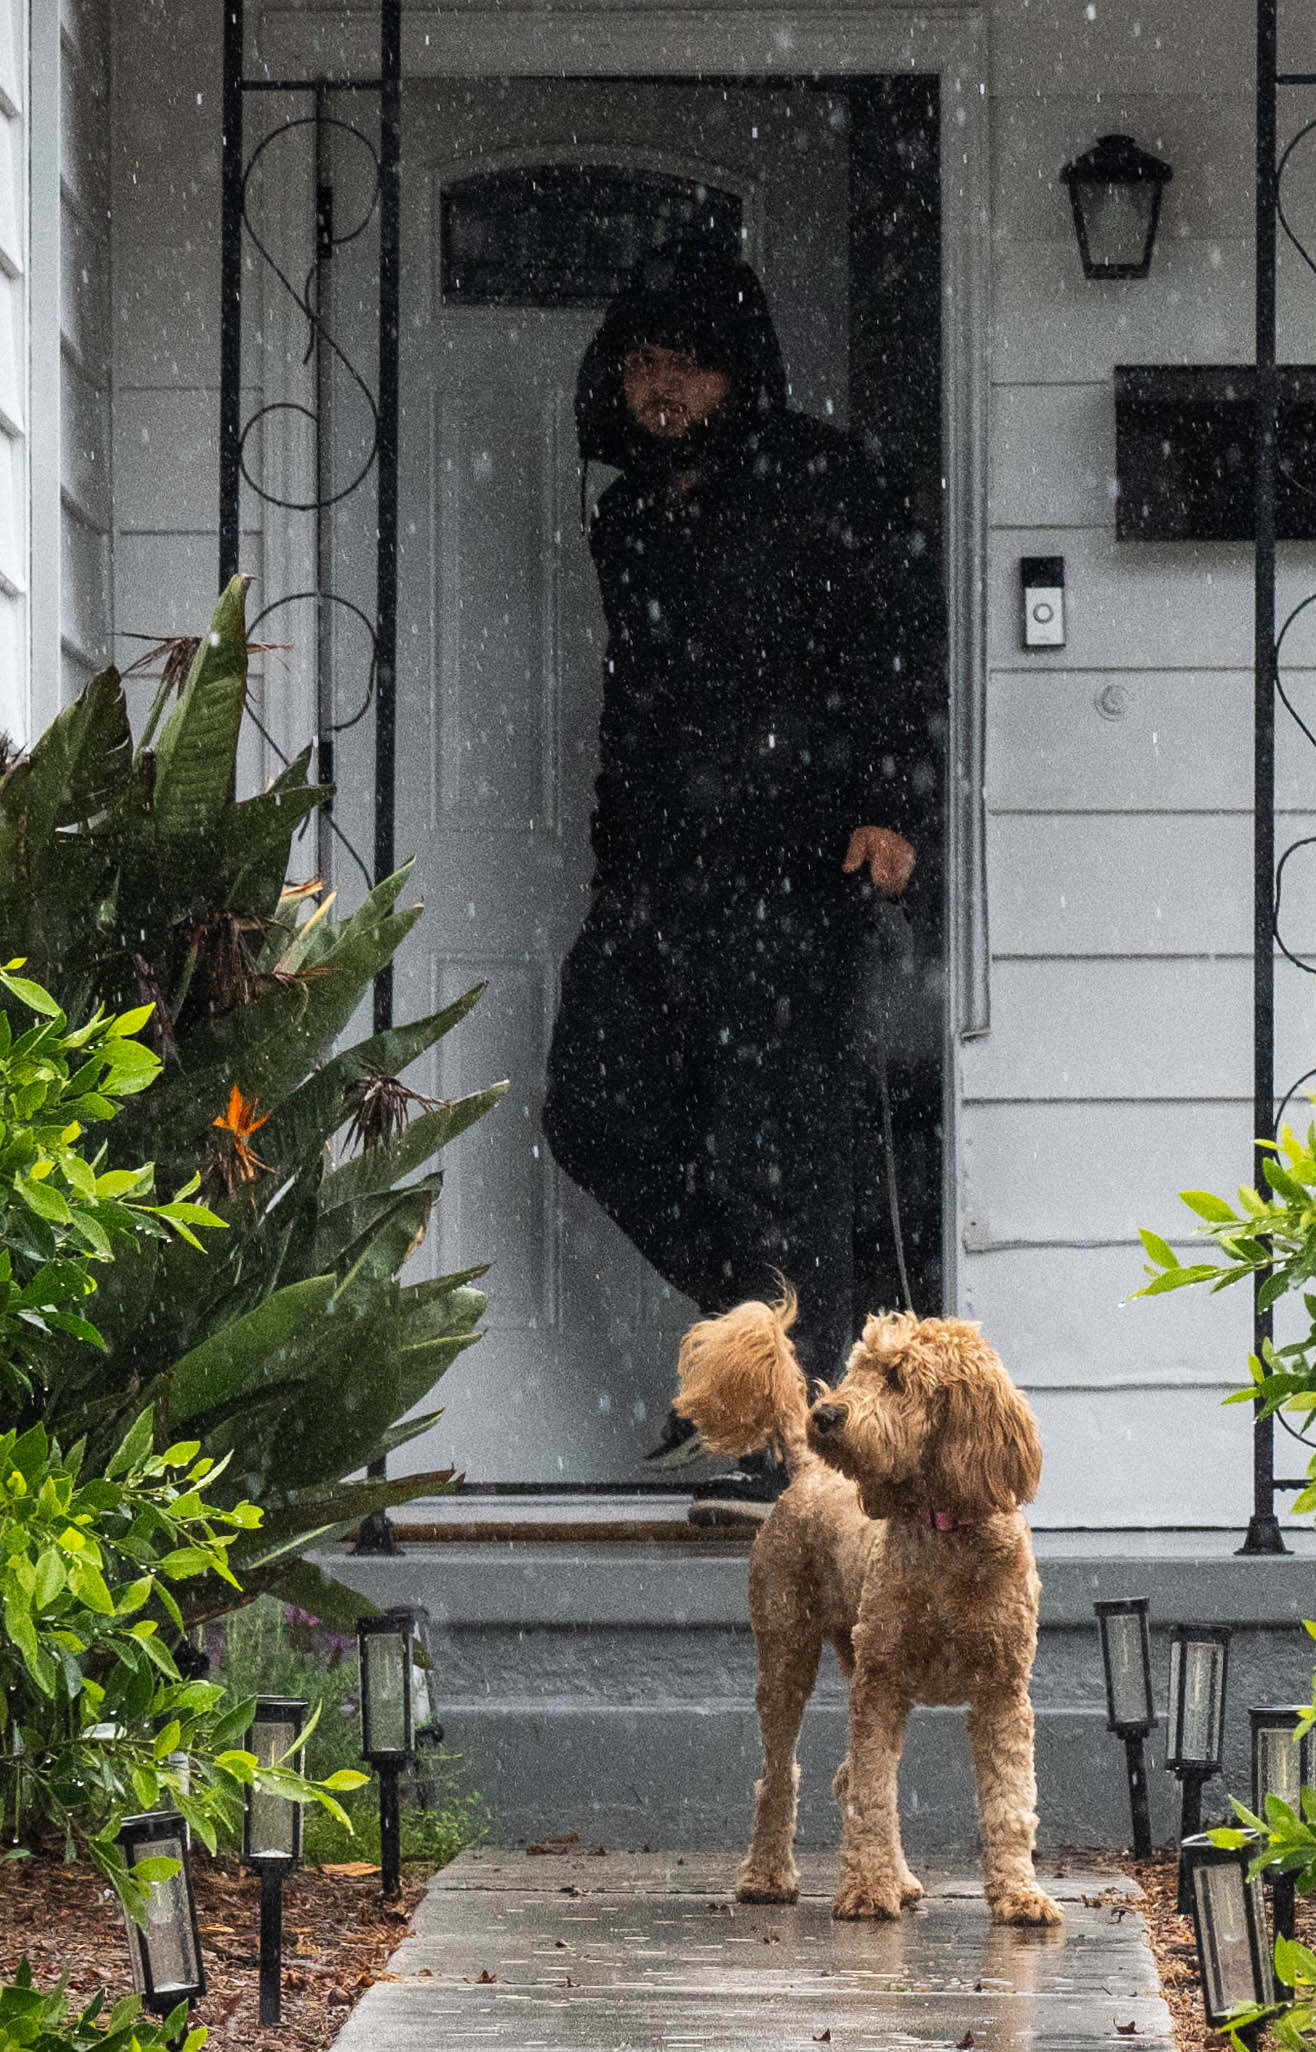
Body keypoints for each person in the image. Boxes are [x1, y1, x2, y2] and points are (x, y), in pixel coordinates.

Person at [540, 257, 942, 1482]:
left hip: (795, 860)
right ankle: (770, 1348)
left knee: (784, 1149)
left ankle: (800, 1440)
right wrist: (618, 869)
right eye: (644, 363)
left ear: (735, 377)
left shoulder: (826, 483)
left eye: (689, 365)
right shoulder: (626, 516)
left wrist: (891, 804)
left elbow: (895, 646)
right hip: (660, 874)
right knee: (591, 1109)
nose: (661, 390)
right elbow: (635, 705)